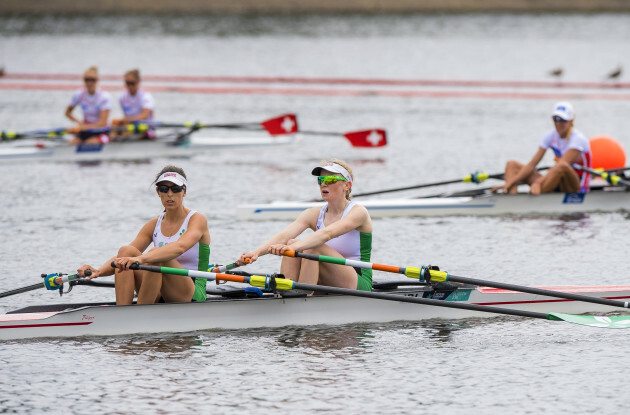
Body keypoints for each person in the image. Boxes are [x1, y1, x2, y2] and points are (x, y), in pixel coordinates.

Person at [77, 165, 211, 305]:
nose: (169, 194)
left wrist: (142, 259)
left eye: (175, 188)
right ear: (158, 192)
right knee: (125, 251)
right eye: (164, 189)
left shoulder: (197, 219)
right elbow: (123, 258)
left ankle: (140, 314)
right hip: (159, 287)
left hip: (191, 290)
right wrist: (98, 271)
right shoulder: (153, 225)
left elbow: (180, 247)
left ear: (184, 191)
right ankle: (123, 311)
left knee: (156, 254)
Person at [238, 159, 373, 292]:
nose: (324, 184)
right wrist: (256, 253)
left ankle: (302, 297)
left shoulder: (358, 212)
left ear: (347, 186)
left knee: (311, 247)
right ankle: (285, 293)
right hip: (327, 276)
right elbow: (284, 236)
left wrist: (290, 248)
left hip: (357, 279)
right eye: (320, 180)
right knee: (292, 241)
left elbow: (327, 234)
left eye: (331, 180)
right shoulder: (313, 214)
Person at [492, 101, 592, 195]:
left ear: (571, 121)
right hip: (557, 179)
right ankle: (511, 199)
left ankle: (533, 198)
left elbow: (562, 164)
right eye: (556, 119)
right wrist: (511, 182)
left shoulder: (578, 139)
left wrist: (538, 183)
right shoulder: (550, 135)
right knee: (512, 165)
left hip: (576, 186)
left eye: (562, 120)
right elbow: (532, 164)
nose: (558, 123)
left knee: (562, 166)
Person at [65, 66, 112, 145]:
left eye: (92, 80)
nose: (89, 83)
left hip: (101, 132)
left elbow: (103, 122)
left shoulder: (104, 97)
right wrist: (79, 123)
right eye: (87, 80)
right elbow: (67, 113)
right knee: (71, 143)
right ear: (84, 80)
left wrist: (84, 127)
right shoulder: (79, 94)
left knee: (89, 143)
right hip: (85, 131)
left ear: (97, 80)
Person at [111, 69, 156, 140]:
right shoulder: (122, 98)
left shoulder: (146, 96)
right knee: (114, 125)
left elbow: (144, 116)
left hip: (144, 127)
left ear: (138, 82)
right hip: (130, 126)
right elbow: (126, 117)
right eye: (127, 83)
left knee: (126, 127)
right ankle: (112, 142)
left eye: (132, 83)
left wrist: (127, 119)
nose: (130, 86)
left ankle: (124, 141)